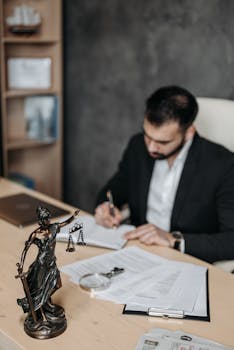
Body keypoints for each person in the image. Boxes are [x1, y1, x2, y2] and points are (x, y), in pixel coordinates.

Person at [95, 85, 234, 263]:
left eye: (162, 141)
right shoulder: (137, 146)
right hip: (136, 251)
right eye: (147, 135)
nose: (151, 147)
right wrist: (106, 207)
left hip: (188, 260)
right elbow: (113, 190)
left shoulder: (223, 165)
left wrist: (173, 240)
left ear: (189, 133)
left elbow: (231, 240)